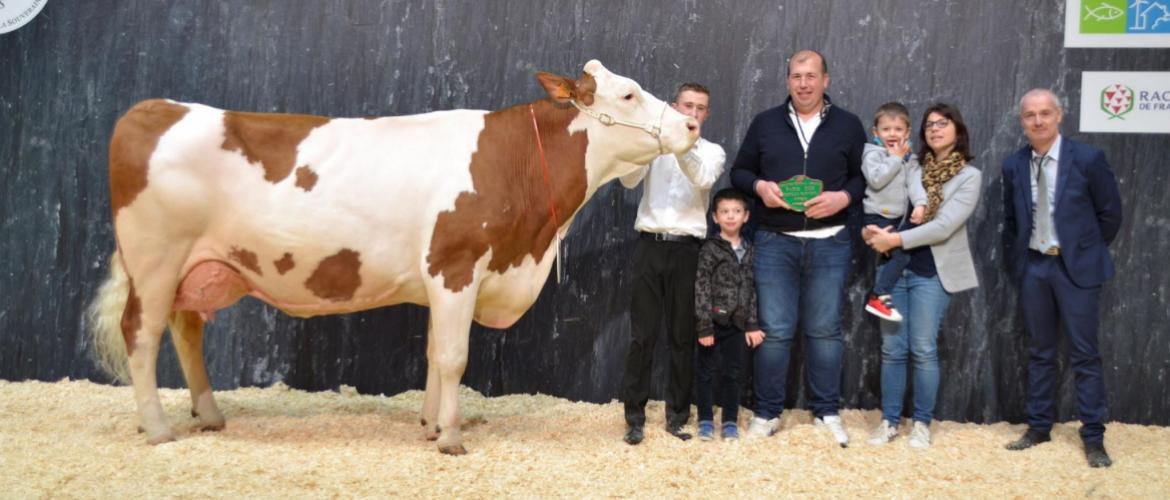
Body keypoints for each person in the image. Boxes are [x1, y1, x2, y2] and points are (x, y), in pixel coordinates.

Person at [729, 49, 866, 446]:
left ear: (826, 80)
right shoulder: (766, 123)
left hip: (830, 243)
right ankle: (767, 413)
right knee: (773, 331)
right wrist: (760, 189)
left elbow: (862, 178)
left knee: (825, 332)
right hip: (774, 242)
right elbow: (740, 171)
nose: (803, 83)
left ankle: (826, 412)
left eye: (810, 76)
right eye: (795, 76)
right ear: (787, 80)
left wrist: (843, 199)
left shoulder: (848, 125)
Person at [1001, 89, 1123, 468]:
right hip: (1035, 267)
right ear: (1021, 121)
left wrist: (1082, 252)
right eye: (1030, 115)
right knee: (1040, 353)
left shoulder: (1087, 159)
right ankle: (1038, 427)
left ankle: (1093, 437)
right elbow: (1011, 221)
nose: (1038, 121)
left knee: (1085, 355)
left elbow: (1110, 214)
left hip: (1076, 270)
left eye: (1045, 113)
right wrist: (1021, 262)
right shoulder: (1013, 165)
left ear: (1060, 116)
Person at [862, 103, 982, 449]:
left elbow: (943, 226)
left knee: (923, 349)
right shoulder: (909, 162)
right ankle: (889, 421)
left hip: (933, 273)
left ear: (957, 130)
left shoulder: (968, 176)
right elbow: (881, 204)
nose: (935, 129)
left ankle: (922, 424)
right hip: (894, 268)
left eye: (943, 123)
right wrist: (870, 233)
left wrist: (895, 239)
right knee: (892, 349)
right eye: (929, 124)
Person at [619, 82, 726, 445]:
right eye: (687, 106)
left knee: (683, 338)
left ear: (706, 114)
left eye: (700, 108)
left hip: (688, 252)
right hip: (650, 246)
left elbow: (703, 178)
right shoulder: (656, 149)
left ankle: (678, 416)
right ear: (673, 106)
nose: (692, 113)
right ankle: (633, 418)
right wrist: (643, 149)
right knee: (642, 337)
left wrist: (681, 145)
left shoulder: (712, 152)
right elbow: (628, 179)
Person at [693, 188, 766, 441]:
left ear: (746, 216)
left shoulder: (750, 249)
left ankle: (730, 422)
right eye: (724, 212)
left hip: (738, 323)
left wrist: (752, 323)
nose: (730, 216)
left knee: (733, 374)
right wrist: (704, 326)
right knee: (705, 373)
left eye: (736, 211)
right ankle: (704, 420)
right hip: (713, 323)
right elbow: (701, 286)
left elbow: (752, 288)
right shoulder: (710, 249)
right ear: (715, 217)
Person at [861, 102, 928, 322]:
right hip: (876, 215)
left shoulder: (910, 158)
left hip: (898, 219)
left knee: (898, 254)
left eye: (898, 129)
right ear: (876, 132)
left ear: (907, 132)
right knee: (900, 256)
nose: (892, 134)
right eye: (886, 129)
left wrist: (920, 204)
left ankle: (882, 293)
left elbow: (915, 183)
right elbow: (876, 179)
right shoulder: (872, 154)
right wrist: (895, 158)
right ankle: (878, 295)